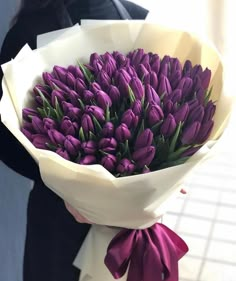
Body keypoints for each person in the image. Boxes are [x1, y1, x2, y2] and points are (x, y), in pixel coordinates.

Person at [0, 1, 149, 281]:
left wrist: (160, 181)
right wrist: (67, 185)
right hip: (58, 217)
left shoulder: (141, 19)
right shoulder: (29, 33)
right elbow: (5, 142)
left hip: (127, 224)